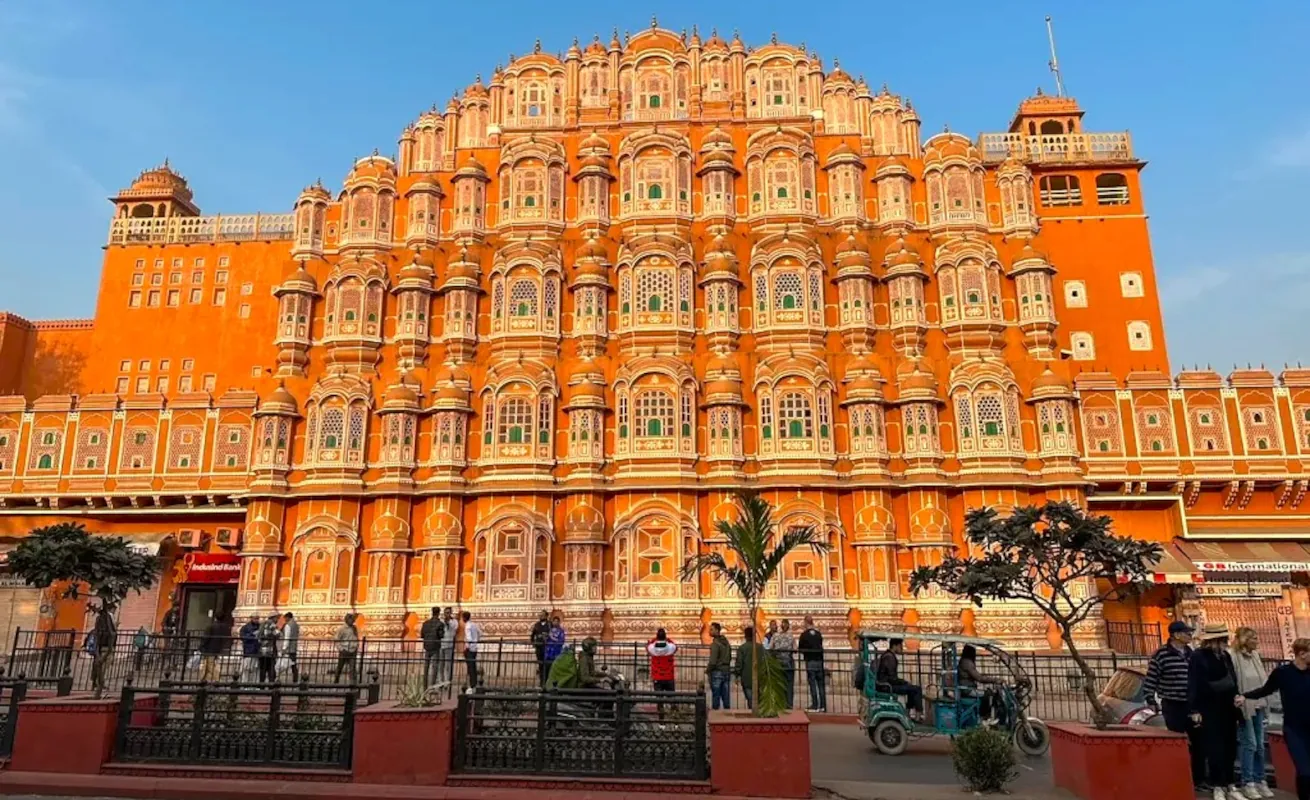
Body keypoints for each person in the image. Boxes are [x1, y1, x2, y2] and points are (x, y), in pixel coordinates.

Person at [1240, 638, 1310, 800]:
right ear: (1302, 654)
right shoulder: (1283, 673)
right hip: (1295, 729)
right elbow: (1266, 690)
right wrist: (1245, 696)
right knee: (1305, 770)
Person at [1144, 621, 1204, 790]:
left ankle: (1198, 780)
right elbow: (1151, 678)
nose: (1190, 635)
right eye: (1187, 632)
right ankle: (1179, 778)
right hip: (1172, 704)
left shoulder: (1191, 654)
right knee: (1177, 742)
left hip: (1192, 705)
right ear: (1176, 635)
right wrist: (1150, 699)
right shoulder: (1161, 654)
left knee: (1199, 743)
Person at [1189, 622, 1240, 800]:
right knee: (1214, 747)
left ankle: (1230, 783)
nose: (1224, 643)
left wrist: (1236, 697)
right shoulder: (1199, 656)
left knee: (1230, 746)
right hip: (1208, 707)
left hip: (1228, 706)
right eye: (1221, 639)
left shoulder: (1225, 656)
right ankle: (1217, 784)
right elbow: (1194, 682)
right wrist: (1194, 708)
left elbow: (1233, 678)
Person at [1231, 627, 1273, 799]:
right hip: (1244, 706)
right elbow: (1236, 682)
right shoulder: (1234, 657)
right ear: (1244, 640)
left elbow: (1264, 681)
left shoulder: (1256, 656)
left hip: (1259, 704)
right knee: (1250, 744)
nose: (1257, 641)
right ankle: (1247, 781)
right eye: (1254, 638)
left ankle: (1259, 779)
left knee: (1260, 746)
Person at [877, 639, 924, 722]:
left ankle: (908, 713)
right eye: (900, 646)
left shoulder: (888, 655)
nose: (901, 649)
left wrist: (904, 682)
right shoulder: (889, 657)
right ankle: (918, 715)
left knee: (911, 689)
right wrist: (904, 682)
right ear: (895, 646)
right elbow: (892, 678)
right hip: (887, 686)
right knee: (916, 689)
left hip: (886, 684)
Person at [798, 616, 826, 712]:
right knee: (821, 684)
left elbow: (800, 648)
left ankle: (815, 704)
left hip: (810, 661)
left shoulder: (804, 635)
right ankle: (823, 705)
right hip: (819, 661)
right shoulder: (818, 634)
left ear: (806, 623)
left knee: (812, 683)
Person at [769, 618, 796, 709]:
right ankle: (789, 704)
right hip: (788, 662)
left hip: (778, 663)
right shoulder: (791, 636)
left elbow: (770, 648)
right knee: (789, 684)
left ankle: (779, 702)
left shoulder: (775, 636)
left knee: (778, 683)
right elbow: (795, 649)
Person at [706, 623, 731, 711]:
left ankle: (715, 718)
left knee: (716, 696)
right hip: (726, 670)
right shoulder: (726, 643)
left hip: (717, 671)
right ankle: (727, 716)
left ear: (717, 630)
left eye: (711, 629)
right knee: (726, 696)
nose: (710, 631)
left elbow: (713, 661)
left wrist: (708, 670)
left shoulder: (715, 644)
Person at [200, 612, 231, 682]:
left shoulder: (211, 626)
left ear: (215, 618)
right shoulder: (226, 627)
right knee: (207, 664)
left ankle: (217, 679)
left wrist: (202, 646)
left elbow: (206, 637)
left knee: (210, 664)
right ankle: (203, 679)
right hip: (219, 648)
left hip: (210, 648)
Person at [421, 607, 446, 687]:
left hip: (427, 646)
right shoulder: (440, 624)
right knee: (435, 666)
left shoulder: (425, 623)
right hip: (435, 646)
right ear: (438, 613)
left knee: (426, 666)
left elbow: (422, 635)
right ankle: (432, 685)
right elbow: (441, 635)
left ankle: (424, 685)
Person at [333, 613, 360, 684]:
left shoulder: (354, 628)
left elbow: (356, 637)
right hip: (344, 650)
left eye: (353, 620)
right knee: (340, 667)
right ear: (347, 620)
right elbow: (336, 639)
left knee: (352, 668)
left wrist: (357, 645)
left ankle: (352, 683)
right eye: (351, 619)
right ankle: (336, 680)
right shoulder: (342, 629)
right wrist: (341, 649)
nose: (353, 621)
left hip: (352, 650)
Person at [735, 626, 758, 710]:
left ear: (745, 636)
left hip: (746, 678)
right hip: (760, 678)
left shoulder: (742, 648)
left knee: (750, 700)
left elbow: (739, 664)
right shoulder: (760, 648)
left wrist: (737, 675)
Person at [257, 613, 280, 683]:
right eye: (277, 618)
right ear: (273, 618)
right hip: (270, 650)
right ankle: (271, 685)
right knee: (271, 668)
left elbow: (259, 635)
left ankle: (261, 685)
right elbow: (277, 634)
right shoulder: (272, 624)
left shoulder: (262, 624)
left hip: (262, 650)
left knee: (262, 669)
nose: (277, 620)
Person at [531, 610, 551, 686]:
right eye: (540, 615)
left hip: (547, 648)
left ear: (546, 616)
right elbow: (532, 635)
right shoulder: (537, 625)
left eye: (542, 615)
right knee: (541, 665)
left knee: (547, 665)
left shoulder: (549, 624)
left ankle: (547, 681)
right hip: (539, 647)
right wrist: (533, 643)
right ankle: (542, 682)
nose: (541, 616)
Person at [461, 611, 481, 688]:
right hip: (475, 648)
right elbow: (480, 633)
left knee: (470, 666)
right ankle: (474, 682)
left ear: (464, 618)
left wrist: (467, 647)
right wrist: (476, 640)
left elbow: (469, 638)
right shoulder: (474, 625)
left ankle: (472, 683)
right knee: (473, 665)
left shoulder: (467, 626)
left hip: (469, 649)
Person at [239, 614, 261, 681]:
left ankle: (254, 684)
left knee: (255, 669)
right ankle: (244, 683)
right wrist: (253, 635)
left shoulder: (260, 627)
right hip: (248, 650)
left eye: (257, 618)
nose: (256, 620)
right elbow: (243, 637)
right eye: (255, 618)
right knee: (246, 668)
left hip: (256, 650)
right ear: (251, 618)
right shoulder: (245, 627)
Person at [280, 612, 300, 683]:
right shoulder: (296, 625)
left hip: (289, 648)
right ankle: (295, 679)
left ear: (288, 617)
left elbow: (287, 637)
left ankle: (277, 679)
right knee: (293, 664)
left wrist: (284, 648)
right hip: (294, 647)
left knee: (283, 665)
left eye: (285, 618)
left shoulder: (288, 625)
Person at [544, 615, 565, 680]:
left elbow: (561, 641)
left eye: (557, 621)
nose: (555, 622)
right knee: (547, 669)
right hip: (548, 653)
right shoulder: (549, 630)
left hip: (556, 652)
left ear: (559, 622)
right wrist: (545, 637)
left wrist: (552, 637)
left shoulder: (561, 631)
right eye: (554, 621)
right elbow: (546, 640)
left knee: (555, 669)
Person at [440, 607, 458, 683]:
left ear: (451, 613)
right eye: (445, 612)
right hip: (441, 644)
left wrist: (448, 623)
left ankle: (448, 680)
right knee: (441, 664)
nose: (447, 614)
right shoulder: (441, 621)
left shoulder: (454, 621)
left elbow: (454, 630)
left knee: (448, 664)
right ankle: (441, 679)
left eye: (448, 612)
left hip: (449, 644)